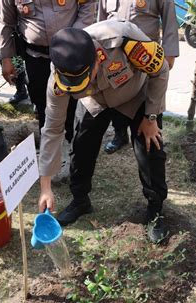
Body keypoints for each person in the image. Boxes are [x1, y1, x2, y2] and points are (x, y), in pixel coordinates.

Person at [38, 20, 170, 243]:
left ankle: (155, 210)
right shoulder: (58, 79)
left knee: (150, 150)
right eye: (78, 89)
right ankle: (80, 200)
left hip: (135, 95)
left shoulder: (126, 40)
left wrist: (151, 117)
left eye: (85, 82)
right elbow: (52, 130)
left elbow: (161, 69)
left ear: (97, 59)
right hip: (96, 102)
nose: (84, 89)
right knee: (81, 148)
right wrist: (45, 187)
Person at [0, 0, 95, 171]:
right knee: (42, 103)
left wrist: (74, 35)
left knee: (71, 101)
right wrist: (6, 57)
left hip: (69, 53)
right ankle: (50, 149)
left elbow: (88, 5)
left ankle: (69, 145)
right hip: (35, 57)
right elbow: (6, 21)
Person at [98, 0, 179, 154]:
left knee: (148, 114)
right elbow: (100, 23)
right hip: (115, 62)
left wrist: (168, 56)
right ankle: (120, 135)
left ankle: (149, 148)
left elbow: (170, 20)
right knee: (115, 105)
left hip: (145, 64)